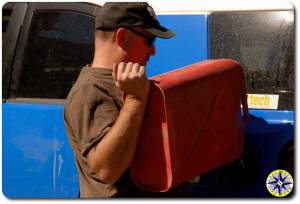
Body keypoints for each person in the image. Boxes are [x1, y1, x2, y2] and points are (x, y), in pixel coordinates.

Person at [64, 2, 177, 198]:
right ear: (122, 37)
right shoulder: (89, 90)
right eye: (149, 41)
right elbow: (107, 170)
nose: (153, 52)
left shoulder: (134, 82)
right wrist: (134, 100)